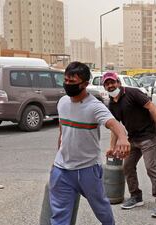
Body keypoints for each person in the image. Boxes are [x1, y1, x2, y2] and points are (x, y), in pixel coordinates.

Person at [49, 62, 130, 225]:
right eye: (66, 81)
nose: (68, 85)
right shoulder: (63, 102)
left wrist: (122, 138)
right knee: (59, 216)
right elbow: (62, 133)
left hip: (87, 170)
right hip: (62, 170)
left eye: (73, 82)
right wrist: (57, 160)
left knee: (101, 208)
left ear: (85, 84)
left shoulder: (94, 106)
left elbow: (114, 124)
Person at [102, 72, 156, 218]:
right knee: (127, 166)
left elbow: (151, 107)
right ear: (104, 87)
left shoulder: (133, 93)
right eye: (107, 84)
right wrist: (112, 147)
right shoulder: (112, 104)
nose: (110, 86)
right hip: (133, 139)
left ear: (118, 82)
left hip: (148, 136)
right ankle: (136, 196)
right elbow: (115, 127)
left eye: (112, 82)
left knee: (151, 167)